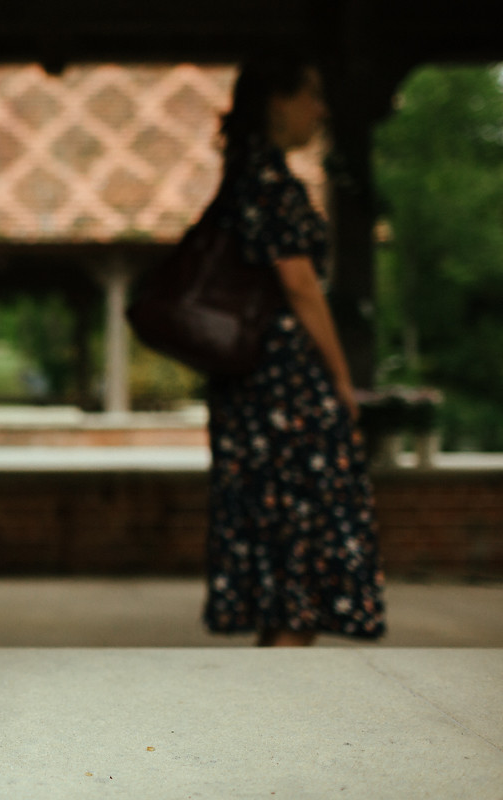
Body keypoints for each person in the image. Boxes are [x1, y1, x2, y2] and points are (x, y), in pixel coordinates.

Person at [203, 55, 385, 646]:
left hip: (253, 393)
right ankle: (283, 699)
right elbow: (301, 287)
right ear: (278, 100)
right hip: (284, 393)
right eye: (311, 93)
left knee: (283, 549)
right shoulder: (269, 181)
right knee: (299, 549)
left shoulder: (245, 175)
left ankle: (275, 690)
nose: (321, 109)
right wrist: (340, 383)